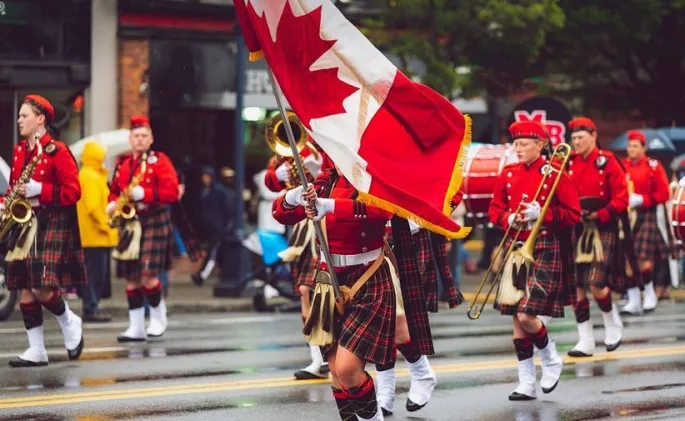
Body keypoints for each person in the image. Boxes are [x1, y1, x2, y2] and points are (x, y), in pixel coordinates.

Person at [273, 165, 394, 421]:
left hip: (366, 276)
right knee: (338, 375)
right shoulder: (327, 180)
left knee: (348, 369)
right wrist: (293, 197)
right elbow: (280, 213)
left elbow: (384, 208)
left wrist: (330, 206)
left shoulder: (372, 176)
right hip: (328, 279)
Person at [488, 120, 580, 400]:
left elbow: (573, 214)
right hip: (516, 246)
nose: (518, 148)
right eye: (515, 143)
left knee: (527, 314)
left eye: (524, 143)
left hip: (544, 244)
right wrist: (508, 218)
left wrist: (542, 214)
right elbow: (494, 210)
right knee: (517, 318)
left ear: (540, 145)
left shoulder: (553, 172)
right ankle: (526, 381)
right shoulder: (507, 173)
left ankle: (551, 357)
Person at [5, 95, 86, 367]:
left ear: (40, 119)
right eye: (19, 116)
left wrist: (43, 190)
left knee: (40, 286)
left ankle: (68, 320)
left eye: (24, 115)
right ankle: (36, 350)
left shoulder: (58, 151)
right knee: (24, 287)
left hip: (51, 219)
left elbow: (74, 192)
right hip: (24, 222)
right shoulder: (19, 152)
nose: (19, 120)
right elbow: (14, 189)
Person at [108, 115, 179, 342]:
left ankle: (158, 318)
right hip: (130, 222)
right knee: (131, 278)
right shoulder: (123, 163)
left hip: (154, 219)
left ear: (151, 139)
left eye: (144, 136)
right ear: (130, 138)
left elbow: (172, 192)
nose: (139, 140)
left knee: (148, 275)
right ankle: (136, 327)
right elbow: (114, 190)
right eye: (136, 136)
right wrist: (111, 202)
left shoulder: (160, 161)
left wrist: (145, 195)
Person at [263, 145, 330, 380]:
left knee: (324, 292)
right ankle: (318, 358)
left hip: (328, 219)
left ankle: (330, 354)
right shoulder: (287, 152)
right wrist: (278, 174)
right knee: (305, 290)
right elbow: (270, 183)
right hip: (302, 227)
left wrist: (317, 164)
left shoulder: (322, 143)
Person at [566, 117, 628, 357]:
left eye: (581, 137)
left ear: (593, 135)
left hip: (603, 227)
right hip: (578, 228)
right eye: (573, 138)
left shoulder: (608, 161)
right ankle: (585, 340)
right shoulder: (569, 163)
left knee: (596, 284)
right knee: (577, 288)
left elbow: (621, 198)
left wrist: (600, 213)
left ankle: (612, 324)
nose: (577, 142)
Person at [620, 130, 671, 315]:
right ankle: (633, 300)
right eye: (629, 146)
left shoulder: (653, 166)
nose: (631, 149)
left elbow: (664, 193)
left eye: (635, 146)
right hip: (627, 216)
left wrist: (643, 199)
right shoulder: (622, 166)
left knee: (644, 261)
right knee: (628, 260)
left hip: (646, 214)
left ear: (644, 148)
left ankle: (649, 294)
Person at [76, 141, 119, 323]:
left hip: (93, 235)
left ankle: (92, 306)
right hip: (94, 235)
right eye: (101, 155)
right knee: (94, 275)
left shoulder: (91, 175)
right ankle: (91, 307)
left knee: (94, 275)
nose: (104, 159)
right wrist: (106, 224)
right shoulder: (90, 176)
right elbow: (93, 207)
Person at [191, 166, 236, 288]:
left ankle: (201, 275)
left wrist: (226, 224)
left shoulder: (219, 191)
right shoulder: (203, 192)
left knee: (213, 252)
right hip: (208, 227)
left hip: (218, 227)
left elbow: (225, 209)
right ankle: (223, 273)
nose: (204, 179)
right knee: (218, 253)